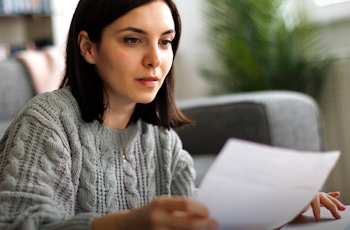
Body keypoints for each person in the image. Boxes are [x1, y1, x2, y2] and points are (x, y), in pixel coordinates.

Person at [0, 0, 345, 229]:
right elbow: (17, 222)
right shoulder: (47, 121)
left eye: (165, 42)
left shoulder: (163, 141)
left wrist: (278, 206)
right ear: (88, 47)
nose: (156, 59)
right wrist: (126, 224)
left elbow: (198, 216)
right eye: (133, 40)